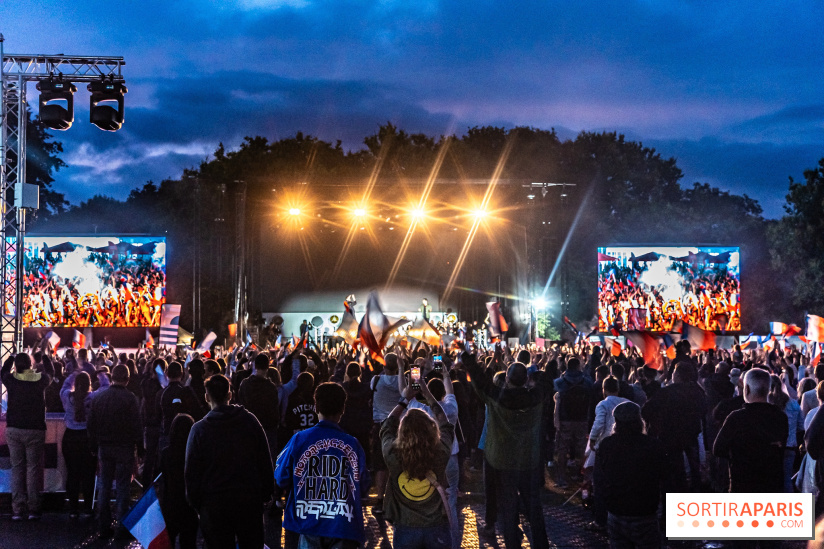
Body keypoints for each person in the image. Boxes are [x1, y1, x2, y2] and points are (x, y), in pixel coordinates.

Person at [465, 352, 549, 549]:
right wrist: (539, 366)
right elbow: (547, 380)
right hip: (529, 460)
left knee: (508, 511)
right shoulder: (536, 398)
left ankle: (512, 544)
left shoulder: (496, 399)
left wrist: (469, 360)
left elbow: (480, 382)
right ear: (527, 379)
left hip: (503, 463)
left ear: (507, 379)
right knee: (534, 510)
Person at [275, 382, 370, 548]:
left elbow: (281, 477)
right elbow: (364, 484)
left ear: (316, 407)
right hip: (343, 526)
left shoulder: (299, 440)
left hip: (307, 523)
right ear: (342, 409)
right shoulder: (353, 445)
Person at [185, 374, 275, 549]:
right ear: (230, 395)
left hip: (214, 505)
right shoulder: (250, 421)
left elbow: (191, 473)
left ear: (206, 397)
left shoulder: (199, 430)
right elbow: (264, 458)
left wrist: (197, 504)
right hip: (249, 501)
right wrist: (266, 494)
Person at [381, 379, 454, 549]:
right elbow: (445, 423)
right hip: (436, 526)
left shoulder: (393, 454)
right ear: (431, 429)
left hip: (405, 525)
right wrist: (427, 395)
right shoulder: (440, 452)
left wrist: (405, 399)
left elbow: (386, 426)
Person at [594, 401, 666, 549]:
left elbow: (599, 480)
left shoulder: (607, 445)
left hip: (616, 511)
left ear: (616, 422)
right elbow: (665, 478)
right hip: (644, 511)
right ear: (639, 421)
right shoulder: (653, 445)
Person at [87, 364, 143, 538]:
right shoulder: (131, 398)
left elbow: (91, 424)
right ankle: (121, 526)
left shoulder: (99, 397)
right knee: (123, 488)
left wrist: (93, 446)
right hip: (125, 448)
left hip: (104, 447)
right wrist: (140, 449)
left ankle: (103, 525)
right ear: (127, 379)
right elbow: (137, 425)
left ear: (112, 378)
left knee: (104, 486)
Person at [713, 368, 788, 493]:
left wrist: (738, 453)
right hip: (771, 485)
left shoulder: (736, 418)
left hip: (742, 484)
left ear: (746, 389)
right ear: (768, 390)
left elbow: (718, 449)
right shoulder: (780, 417)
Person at [1, 352, 54, 521]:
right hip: (35, 429)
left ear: (16, 366)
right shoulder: (40, 380)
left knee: (17, 468)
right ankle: (33, 509)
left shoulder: (12, 380)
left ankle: (17, 509)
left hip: (14, 428)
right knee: (32, 469)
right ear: (31, 366)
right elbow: (51, 373)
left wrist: (11, 358)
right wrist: (45, 358)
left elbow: (3, 372)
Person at [60, 369, 109, 517]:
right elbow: (106, 387)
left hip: (70, 438)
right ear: (89, 384)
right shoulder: (93, 397)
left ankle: (73, 509)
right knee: (88, 474)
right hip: (87, 438)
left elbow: (64, 386)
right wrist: (101, 374)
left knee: (72, 473)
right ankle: (88, 508)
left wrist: (73, 374)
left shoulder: (67, 396)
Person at [587, 375, 629, 529]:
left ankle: (600, 520)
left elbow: (599, 423)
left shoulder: (603, 405)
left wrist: (592, 439)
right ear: (617, 389)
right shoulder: (628, 403)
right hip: (625, 448)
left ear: (604, 390)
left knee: (600, 484)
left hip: (605, 447)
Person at [370, 352, 403, 512]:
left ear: (383, 366)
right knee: (400, 463)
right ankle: (400, 497)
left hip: (381, 426)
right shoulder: (403, 383)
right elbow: (416, 390)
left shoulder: (375, 380)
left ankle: (379, 498)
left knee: (380, 464)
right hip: (400, 426)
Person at [159, 414, 198, 549]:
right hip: (189, 506)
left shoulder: (166, 453)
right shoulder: (194, 453)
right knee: (189, 542)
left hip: (170, 504)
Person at [553, 356, 593, 488]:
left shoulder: (559, 382)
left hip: (565, 420)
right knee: (580, 449)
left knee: (562, 450)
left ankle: (561, 478)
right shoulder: (587, 382)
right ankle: (577, 474)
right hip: (581, 419)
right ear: (578, 366)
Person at [238, 353, 280, 461]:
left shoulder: (245, 384)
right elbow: (275, 407)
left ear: (255, 366)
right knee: (268, 459)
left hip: (249, 426)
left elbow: (241, 402)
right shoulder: (271, 387)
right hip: (268, 427)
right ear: (268, 367)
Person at [158, 360, 203, 453]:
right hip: (184, 433)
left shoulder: (160, 393)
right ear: (182, 374)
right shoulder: (185, 391)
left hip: (167, 431)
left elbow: (158, 414)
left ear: (167, 374)